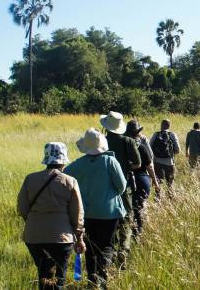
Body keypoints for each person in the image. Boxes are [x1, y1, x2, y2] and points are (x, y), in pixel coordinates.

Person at [17, 142, 85, 290]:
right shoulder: (70, 181)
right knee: (59, 277)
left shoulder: (30, 179)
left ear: (46, 158)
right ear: (63, 160)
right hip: (62, 238)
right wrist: (79, 238)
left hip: (34, 236)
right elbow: (77, 214)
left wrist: (35, 220)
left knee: (44, 273)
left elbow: (22, 208)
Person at [64, 129, 127, 289]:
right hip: (109, 212)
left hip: (85, 214)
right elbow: (122, 186)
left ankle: (92, 280)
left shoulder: (77, 164)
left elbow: (65, 181)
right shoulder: (110, 161)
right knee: (106, 246)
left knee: (90, 247)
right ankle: (103, 280)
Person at [99, 111, 142, 267]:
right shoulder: (128, 141)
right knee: (126, 220)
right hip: (124, 187)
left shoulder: (101, 141)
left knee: (110, 220)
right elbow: (137, 164)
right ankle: (123, 252)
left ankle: (109, 252)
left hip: (104, 186)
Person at [124, 119, 159, 238]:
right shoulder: (142, 147)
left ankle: (127, 231)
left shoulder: (123, 147)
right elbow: (149, 166)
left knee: (128, 207)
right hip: (142, 178)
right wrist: (155, 181)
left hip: (126, 179)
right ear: (138, 133)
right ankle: (138, 232)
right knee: (140, 206)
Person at [149, 119, 180, 195]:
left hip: (157, 162)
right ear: (169, 125)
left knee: (158, 182)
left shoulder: (156, 134)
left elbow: (149, 147)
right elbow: (178, 150)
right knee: (170, 183)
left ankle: (158, 198)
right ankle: (170, 198)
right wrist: (171, 154)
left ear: (161, 125)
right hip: (170, 163)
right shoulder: (172, 135)